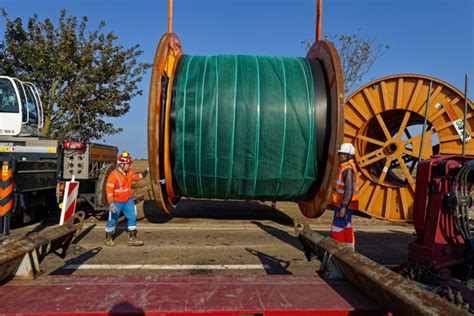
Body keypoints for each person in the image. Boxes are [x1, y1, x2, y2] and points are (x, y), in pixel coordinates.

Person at [104, 151, 149, 247]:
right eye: (128, 164)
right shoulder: (113, 175)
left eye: (129, 164)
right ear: (121, 164)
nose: (129, 166)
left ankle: (132, 239)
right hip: (117, 202)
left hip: (128, 200)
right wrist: (111, 203)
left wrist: (147, 171)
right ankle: (108, 238)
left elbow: (137, 177)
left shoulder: (129, 172)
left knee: (132, 217)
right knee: (113, 219)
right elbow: (109, 190)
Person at [330, 143, 360, 249]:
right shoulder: (344, 168)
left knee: (337, 228)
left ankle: (340, 252)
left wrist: (344, 206)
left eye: (342, 154)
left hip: (344, 206)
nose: (339, 156)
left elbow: (349, 189)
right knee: (347, 227)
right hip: (344, 205)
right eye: (339, 154)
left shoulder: (348, 169)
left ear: (349, 156)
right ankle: (349, 251)